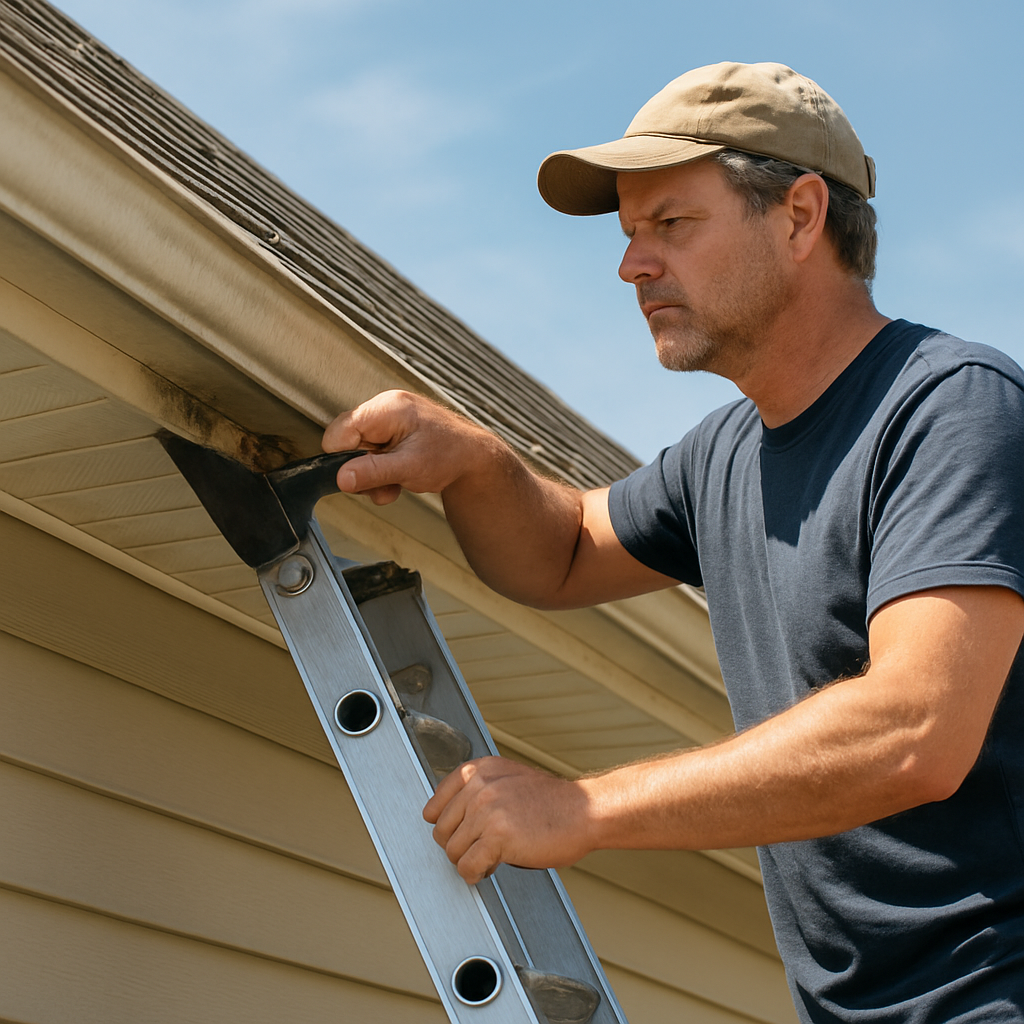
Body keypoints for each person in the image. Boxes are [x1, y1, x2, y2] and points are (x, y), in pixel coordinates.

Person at [323, 62, 1024, 1023]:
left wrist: (583, 810)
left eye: (671, 225)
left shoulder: (951, 408)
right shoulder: (725, 456)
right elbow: (563, 549)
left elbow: (915, 732)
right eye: (628, 235)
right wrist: (477, 465)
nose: (632, 265)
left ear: (801, 215)